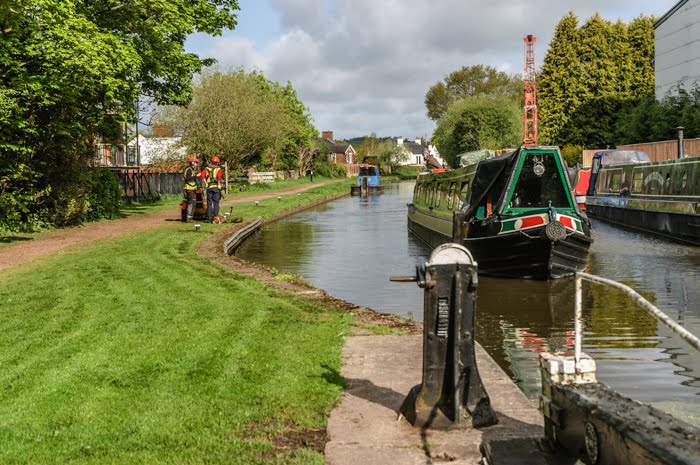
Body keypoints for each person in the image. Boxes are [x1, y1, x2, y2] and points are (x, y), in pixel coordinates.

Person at [202, 155, 223, 223]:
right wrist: (219, 184)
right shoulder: (218, 169)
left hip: (209, 188)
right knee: (216, 203)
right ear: (217, 162)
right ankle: (215, 217)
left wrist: (206, 183)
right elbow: (219, 178)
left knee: (209, 203)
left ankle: (208, 218)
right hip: (215, 188)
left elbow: (202, 176)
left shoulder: (206, 168)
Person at [182, 156, 200, 222]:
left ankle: (189, 217)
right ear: (192, 163)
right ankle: (189, 218)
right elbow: (187, 178)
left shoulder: (191, 170)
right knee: (191, 203)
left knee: (192, 203)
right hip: (190, 189)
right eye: (196, 162)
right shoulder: (189, 170)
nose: (197, 164)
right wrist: (196, 176)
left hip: (192, 189)